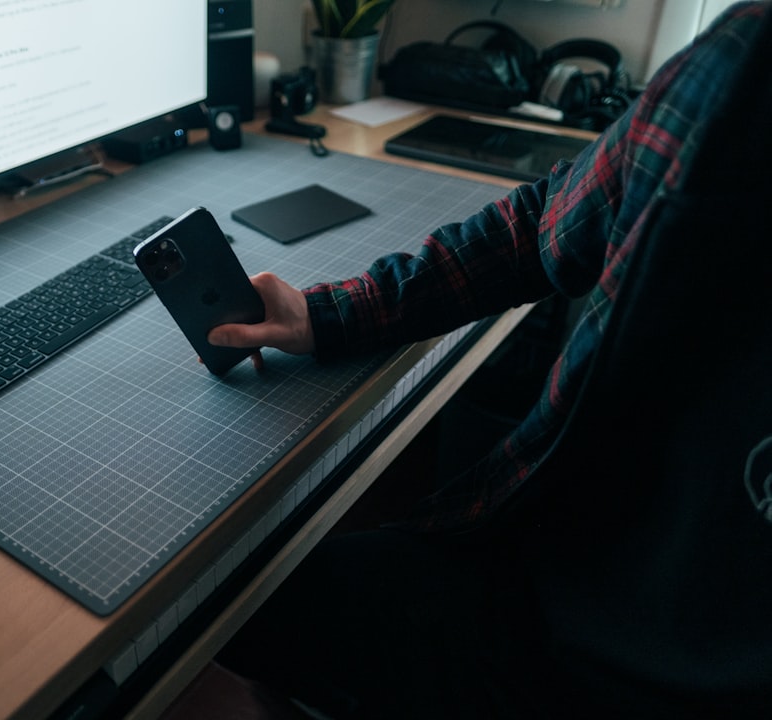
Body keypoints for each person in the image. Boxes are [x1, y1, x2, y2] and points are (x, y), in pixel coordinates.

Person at [203, 3, 772, 718]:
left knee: (232, 629)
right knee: (250, 604)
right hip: (551, 573)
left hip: (641, 664)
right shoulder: (737, 69)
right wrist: (324, 315)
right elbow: (540, 227)